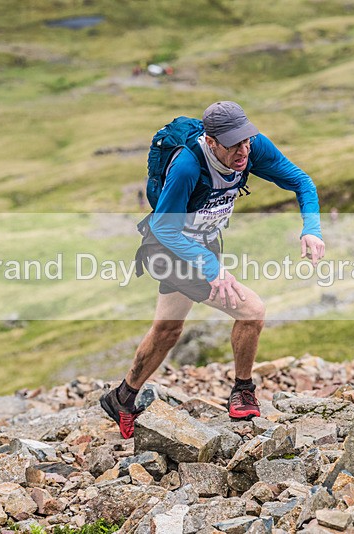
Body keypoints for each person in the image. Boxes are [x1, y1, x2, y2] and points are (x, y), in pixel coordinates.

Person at [101, 101, 325, 438]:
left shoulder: (252, 148)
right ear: (211, 141)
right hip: (169, 248)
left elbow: (302, 182)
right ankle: (243, 390)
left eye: (246, 140)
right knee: (252, 311)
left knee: (167, 330)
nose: (243, 151)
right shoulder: (187, 166)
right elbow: (163, 227)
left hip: (204, 243)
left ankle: (122, 398)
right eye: (234, 144)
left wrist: (312, 229)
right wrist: (211, 267)